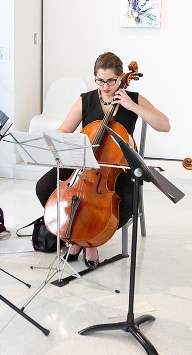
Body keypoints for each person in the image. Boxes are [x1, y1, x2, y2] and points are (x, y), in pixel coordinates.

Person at [35, 52, 170, 268]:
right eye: (100, 80)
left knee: (126, 202)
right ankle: (79, 236)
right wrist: (66, 141)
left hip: (117, 168)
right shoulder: (86, 99)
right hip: (83, 163)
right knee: (44, 187)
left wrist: (132, 107)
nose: (105, 87)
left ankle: (91, 241)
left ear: (120, 78)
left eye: (111, 81)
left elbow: (165, 125)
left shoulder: (133, 99)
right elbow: (63, 129)